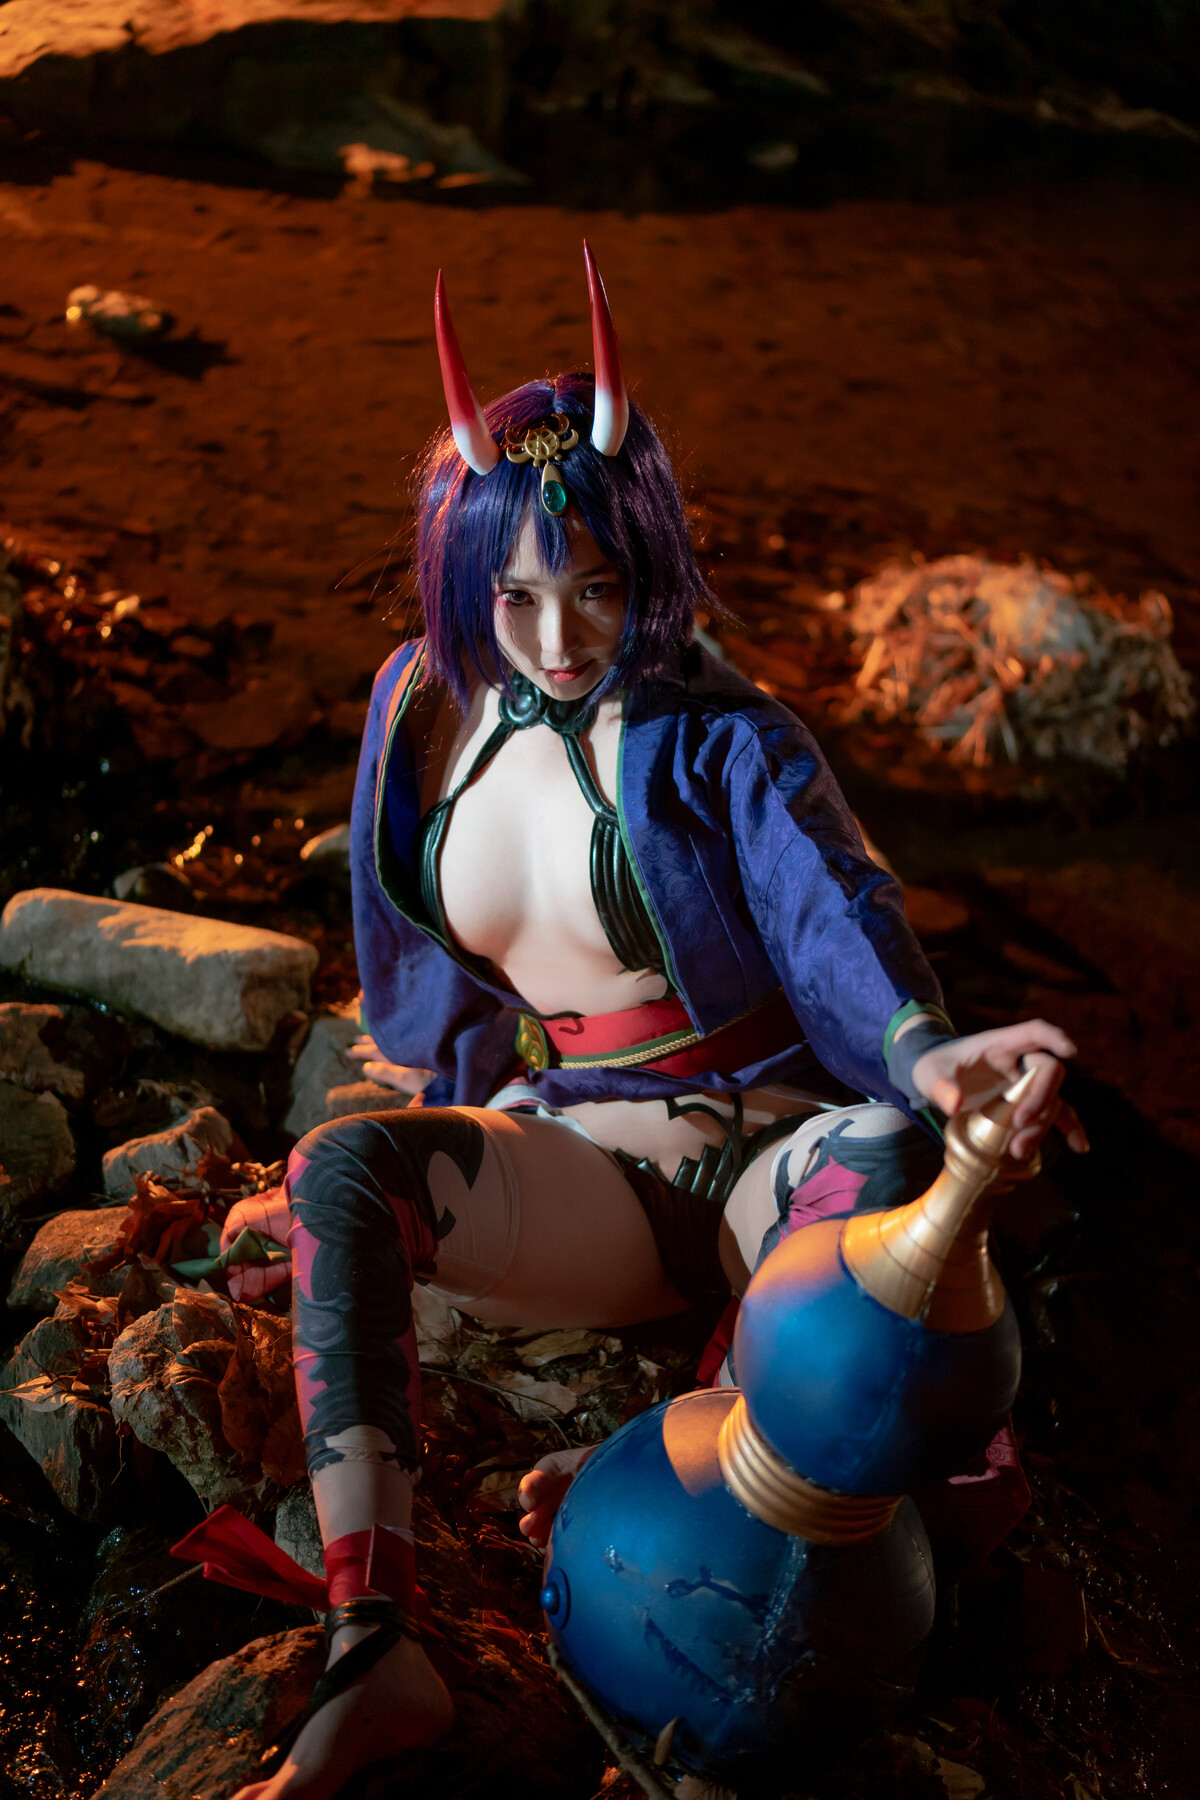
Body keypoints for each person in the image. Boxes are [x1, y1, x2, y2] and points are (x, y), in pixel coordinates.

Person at [223, 247, 1086, 1800]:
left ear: (650, 565)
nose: (559, 638)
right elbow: (412, 946)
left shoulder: (725, 737)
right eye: (518, 596)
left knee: (889, 1163)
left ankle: (704, 1439)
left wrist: (923, 1050)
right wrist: (440, 1098)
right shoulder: (420, 710)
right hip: (584, 1161)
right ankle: (375, 1643)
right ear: (466, 580)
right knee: (342, 1177)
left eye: (599, 591)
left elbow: (830, 908)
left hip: (773, 1156)